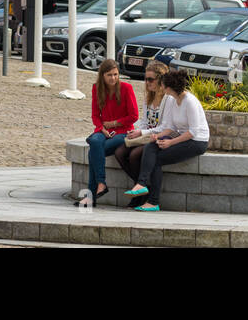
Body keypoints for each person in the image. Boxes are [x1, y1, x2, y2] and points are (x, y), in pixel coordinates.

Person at [125, 70, 209, 212]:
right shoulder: (174, 100)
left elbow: (193, 132)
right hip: (183, 137)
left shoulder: (190, 102)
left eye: (163, 85)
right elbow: (170, 127)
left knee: (157, 159)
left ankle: (153, 202)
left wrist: (170, 142)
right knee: (151, 146)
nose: (161, 88)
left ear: (169, 88)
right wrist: (158, 136)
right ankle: (141, 184)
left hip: (197, 142)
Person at [82, 59, 138, 205]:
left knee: (93, 151)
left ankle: (91, 196)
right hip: (103, 130)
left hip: (123, 132)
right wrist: (102, 128)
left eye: (115, 74)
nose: (113, 78)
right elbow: (95, 115)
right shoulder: (96, 88)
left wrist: (114, 123)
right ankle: (101, 184)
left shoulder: (126, 88)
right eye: (109, 75)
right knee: (95, 141)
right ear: (102, 76)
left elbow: (134, 116)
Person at [114, 60, 170, 184]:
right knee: (119, 153)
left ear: (161, 80)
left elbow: (165, 127)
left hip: (159, 137)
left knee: (134, 155)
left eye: (151, 79)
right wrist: (137, 131)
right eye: (145, 79)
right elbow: (144, 121)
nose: (147, 82)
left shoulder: (168, 98)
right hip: (145, 136)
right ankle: (142, 188)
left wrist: (141, 132)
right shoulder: (148, 97)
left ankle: (140, 190)